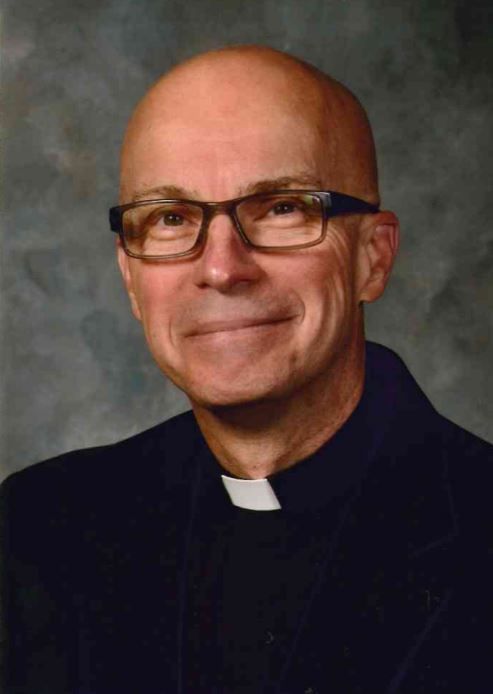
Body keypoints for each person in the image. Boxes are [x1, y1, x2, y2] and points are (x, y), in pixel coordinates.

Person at [1, 45, 492, 694]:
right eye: (170, 218)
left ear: (372, 257)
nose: (222, 268)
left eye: (282, 207)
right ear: (130, 277)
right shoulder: (36, 531)